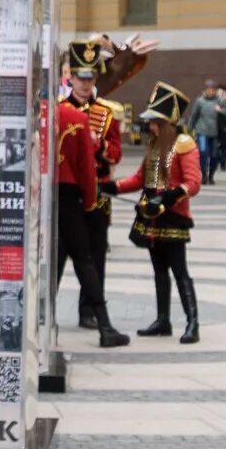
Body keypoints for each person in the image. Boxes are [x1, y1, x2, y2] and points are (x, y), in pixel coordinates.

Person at [49, 41, 130, 348]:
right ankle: (48, 310)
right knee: (59, 255)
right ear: (71, 78)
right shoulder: (62, 110)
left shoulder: (106, 113)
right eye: (81, 77)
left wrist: (98, 145)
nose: (85, 83)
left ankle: (88, 313)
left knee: (95, 254)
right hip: (69, 188)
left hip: (96, 189)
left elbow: (116, 154)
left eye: (91, 78)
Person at [120, 82, 203, 343]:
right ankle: (163, 320)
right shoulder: (155, 144)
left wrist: (167, 198)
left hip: (173, 218)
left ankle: (193, 324)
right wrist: (110, 186)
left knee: (180, 271)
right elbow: (140, 178)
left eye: (155, 122)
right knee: (158, 271)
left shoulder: (183, 143)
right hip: (152, 218)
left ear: (167, 122)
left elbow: (193, 182)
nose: (150, 126)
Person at [188, 82, 226, 182]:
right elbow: (194, 116)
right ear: (205, 90)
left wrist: (220, 110)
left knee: (214, 155)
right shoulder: (200, 101)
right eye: (209, 90)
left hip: (215, 133)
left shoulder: (220, 101)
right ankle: (204, 173)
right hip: (202, 132)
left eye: (213, 90)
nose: (211, 92)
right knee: (203, 152)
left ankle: (211, 175)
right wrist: (189, 129)